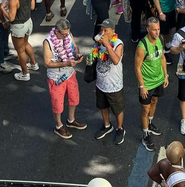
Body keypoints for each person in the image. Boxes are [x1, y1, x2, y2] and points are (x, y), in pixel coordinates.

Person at [43, 18, 86, 139]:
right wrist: (66, 63)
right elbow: (47, 63)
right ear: (56, 31)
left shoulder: (68, 34)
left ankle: (71, 120)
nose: (66, 36)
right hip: (56, 77)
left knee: (74, 98)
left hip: (70, 74)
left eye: (68, 33)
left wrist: (77, 54)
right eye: (64, 34)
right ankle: (59, 126)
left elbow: (75, 47)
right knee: (57, 103)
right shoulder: (48, 42)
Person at [135, 17, 168, 152]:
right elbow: (137, 68)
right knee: (145, 109)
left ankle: (149, 123)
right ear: (148, 29)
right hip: (147, 84)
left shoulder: (160, 39)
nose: (157, 32)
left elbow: (162, 57)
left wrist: (165, 75)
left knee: (154, 101)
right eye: (154, 30)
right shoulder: (142, 47)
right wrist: (142, 86)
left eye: (158, 29)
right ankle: (145, 135)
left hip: (158, 80)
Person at [93, 18, 126, 146]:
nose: (103, 33)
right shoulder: (98, 42)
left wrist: (107, 44)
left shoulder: (118, 43)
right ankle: (107, 126)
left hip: (114, 84)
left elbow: (116, 60)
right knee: (103, 106)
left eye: (105, 30)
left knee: (117, 109)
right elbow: (96, 55)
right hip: (101, 82)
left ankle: (120, 128)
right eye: (101, 30)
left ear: (112, 31)